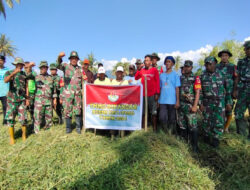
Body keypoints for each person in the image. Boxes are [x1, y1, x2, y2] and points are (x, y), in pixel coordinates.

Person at [200, 56, 232, 147]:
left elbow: (228, 90)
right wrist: (200, 103)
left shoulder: (222, 75)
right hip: (207, 102)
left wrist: (228, 102)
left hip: (220, 101)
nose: (207, 66)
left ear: (215, 64)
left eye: (210, 64)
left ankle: (216, 138)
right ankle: (206, 136)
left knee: (219, 120)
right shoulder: (202, 75)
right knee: (206, 120)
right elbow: (200, 91)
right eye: (206, 64)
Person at [56, 51, 83, 134]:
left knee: (78, 110)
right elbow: (58, 65)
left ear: (77, 59)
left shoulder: (80, 69)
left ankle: (78, 127)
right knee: (68, 110)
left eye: (75, 58)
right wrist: (59, 57)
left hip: (77, 94)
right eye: (72, 58)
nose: (74, 60)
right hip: (68, 94)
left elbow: (82, 81)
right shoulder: (66, 66)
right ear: (70, 59)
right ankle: (68, 128)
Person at [4, 57, 29, 144]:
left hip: (21, 99)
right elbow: (5, 80)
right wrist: (13, 74)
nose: (20, 66)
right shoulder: (9, 72)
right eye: (18, 64)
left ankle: (24, 135)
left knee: (23, 118)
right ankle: (12, 138)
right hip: (12, 100)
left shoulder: (24, 74)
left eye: (21, 64)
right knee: (11, 119)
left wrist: (27, 98)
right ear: (15, 64)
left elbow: (26, 86)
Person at [178, 60, 201, 152]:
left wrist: (195, 106)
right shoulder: (180, 78)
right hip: (181, 106)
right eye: (185, 66)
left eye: (188, 67)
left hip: (190, 106)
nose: (186, 68)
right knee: (182, 126)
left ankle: (195, 147)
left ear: (191, 68)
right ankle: (183, 146)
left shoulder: (196, 78)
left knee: (193, 126)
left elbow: (198, 92)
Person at [135, 54, 160, 131]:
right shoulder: (142, 70)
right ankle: (143, 128)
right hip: (143, 95)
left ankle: (154, 129)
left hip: (152, 95)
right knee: (143, 113)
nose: (146, 62)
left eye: (147, 60)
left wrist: (157, 94)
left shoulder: (154, 70)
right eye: (145, 60)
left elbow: (157, 82)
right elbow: (136, 77)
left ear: (151, 62)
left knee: (153, 113)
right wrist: (139, 69)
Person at [32, 61, 57, 133]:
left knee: (49, 117)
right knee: (37, 117)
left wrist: (54, 99)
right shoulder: (36, 77)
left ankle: (48, 130)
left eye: (45, 67)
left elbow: (54, 90)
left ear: (47, 68)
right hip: (39, 101)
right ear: (40, 68)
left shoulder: (51, 78)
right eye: (42, 67)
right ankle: (37, 131)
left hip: (48, 101)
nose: (44, 69)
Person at [158, 56, 180, 134]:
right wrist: (158, 100)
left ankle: (170, 134)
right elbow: (160, 88)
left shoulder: (175, 75)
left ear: (173, 64)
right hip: (162, 100)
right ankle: (166, 132)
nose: (167, 63)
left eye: (169, 62)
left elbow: (177, 88)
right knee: (162, 117)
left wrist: (177, 101)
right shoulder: (161, 75)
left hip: (172, 101)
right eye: (166, 62)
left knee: (171, 119)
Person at [217, 49, 237, 133]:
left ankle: (226, 128)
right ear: (220, 57)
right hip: (219, 92)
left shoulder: (233, 66)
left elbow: (236, 78)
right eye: (222, 56)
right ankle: (220, 127)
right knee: (220, 109)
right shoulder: (217, 67)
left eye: (226, 55)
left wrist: (235, 90)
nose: (224, 57)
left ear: (228, 56)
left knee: (229, 109)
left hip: (229, 92)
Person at [234, 41, 250, 140]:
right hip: (243, 89)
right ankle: (242, 136)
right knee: (238, 113)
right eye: (246, 49)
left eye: (248, 49)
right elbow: (237, 76)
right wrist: (235, 89)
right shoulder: (241, 62)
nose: (247, 51)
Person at [0, 55, 9, 125]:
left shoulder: (7, 70)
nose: (0, 62)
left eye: (1, 60)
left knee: (5, 107)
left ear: (4, 61)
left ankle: (5, 121)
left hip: (5, 92)